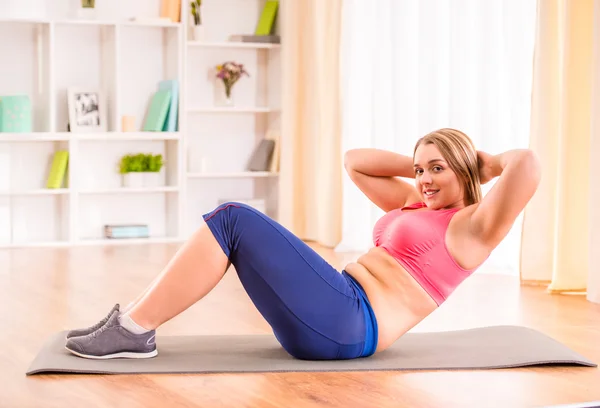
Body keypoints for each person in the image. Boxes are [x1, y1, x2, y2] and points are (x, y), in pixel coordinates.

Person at [64, 128, 541, 360]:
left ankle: (133, 329)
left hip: (351, 322)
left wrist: (483, 163)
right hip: (331, 309)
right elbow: (356, 162)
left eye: (437, 169)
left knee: (233, 219)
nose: (424, 179)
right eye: (420, 170)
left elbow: (528, 166)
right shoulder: (417, 203)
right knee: (232, 231)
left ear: (464, 169)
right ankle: (131, 323)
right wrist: (426, 159)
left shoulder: (473, 226)